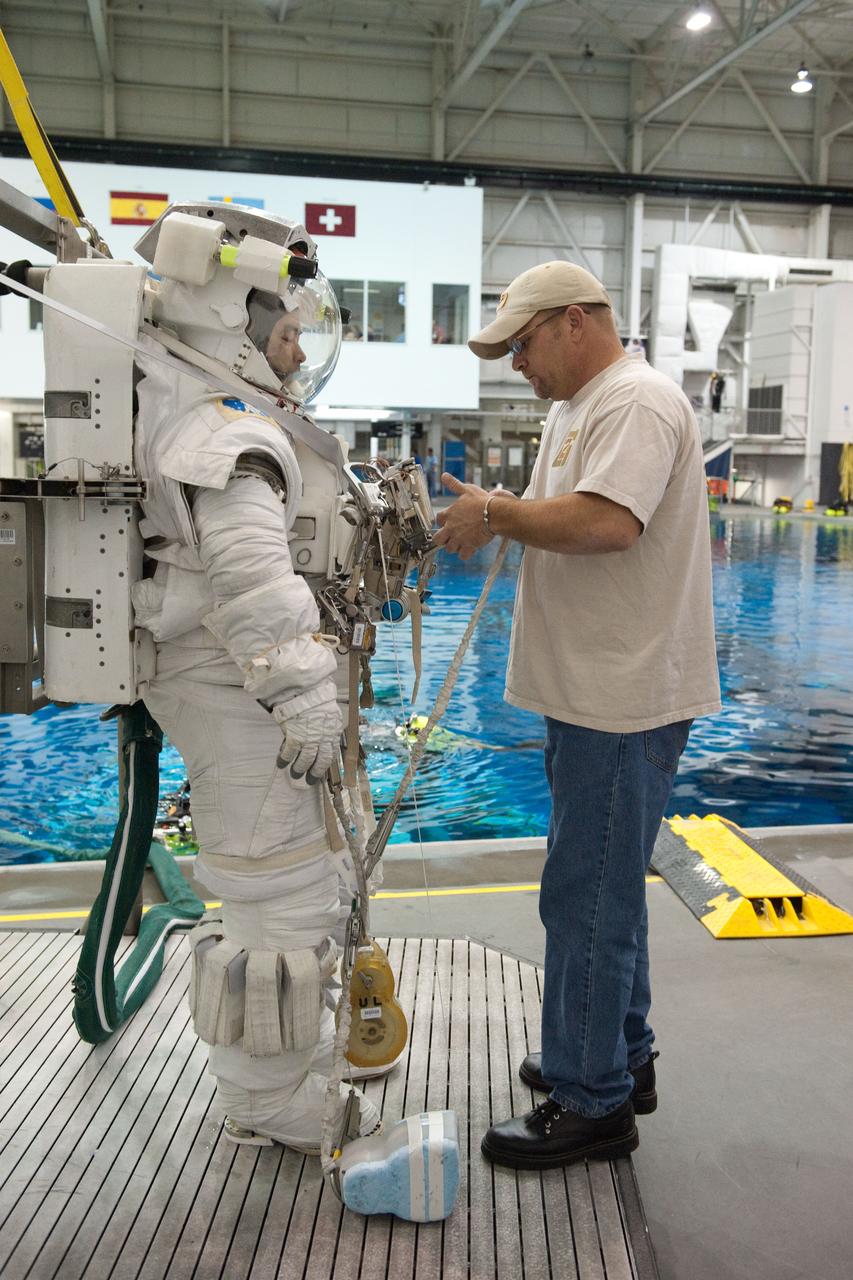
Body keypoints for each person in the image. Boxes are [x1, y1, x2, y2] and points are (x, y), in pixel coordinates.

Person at [433, 260, 721, 1170]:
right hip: (592, 688)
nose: (515, 363)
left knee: (585, 898)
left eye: (520, 344)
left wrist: (497, 513)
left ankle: (592, 1103)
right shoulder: (576, 405)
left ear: (570, 322)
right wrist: (501, 511)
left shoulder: (631, 402)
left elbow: (606, 524)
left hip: (620, 695)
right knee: (602, 889)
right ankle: (617, 1057)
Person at [131, 201, 381, 1153]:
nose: (293, 347)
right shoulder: (222, 428)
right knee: (276, 901)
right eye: (283, 329)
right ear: (229, 314)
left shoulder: (213, 407)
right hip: (235, 689)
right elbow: (246, 575)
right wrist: (305, 692)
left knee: (297, 890)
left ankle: (281, 1072)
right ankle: (264, 1106)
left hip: (241, 688)